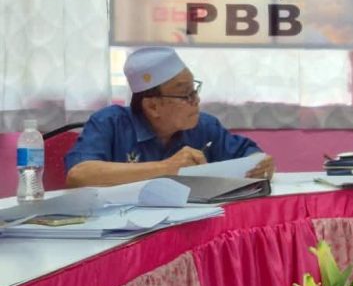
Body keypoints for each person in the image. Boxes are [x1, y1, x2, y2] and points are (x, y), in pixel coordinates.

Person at [65, 47, 273, 187]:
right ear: (153, 106)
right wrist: (166, 168)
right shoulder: (109, 122)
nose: (196, 100)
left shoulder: (204, 125)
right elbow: (79, 175)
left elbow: (249, 153)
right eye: (185, 94)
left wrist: (260, 164)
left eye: (195, 91)